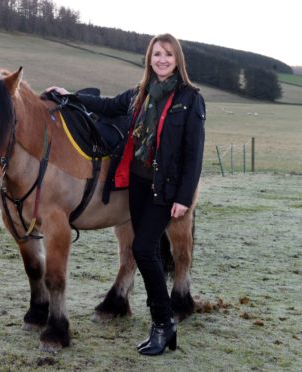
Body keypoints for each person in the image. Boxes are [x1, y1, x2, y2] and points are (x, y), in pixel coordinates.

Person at [48, 33, 205, 356]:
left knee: (145, 249)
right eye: (156, 54)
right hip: (137, 183)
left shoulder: (190, 98)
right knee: (143, 248)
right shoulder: (139, 94)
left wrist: (184, 197)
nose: (161, 60)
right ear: (149, 58)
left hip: (167, 188)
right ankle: (162, 324)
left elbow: (194, 155)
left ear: (178, 61)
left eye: (168, 55)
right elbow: (106, 105)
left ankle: (163, 323)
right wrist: (71, 96)